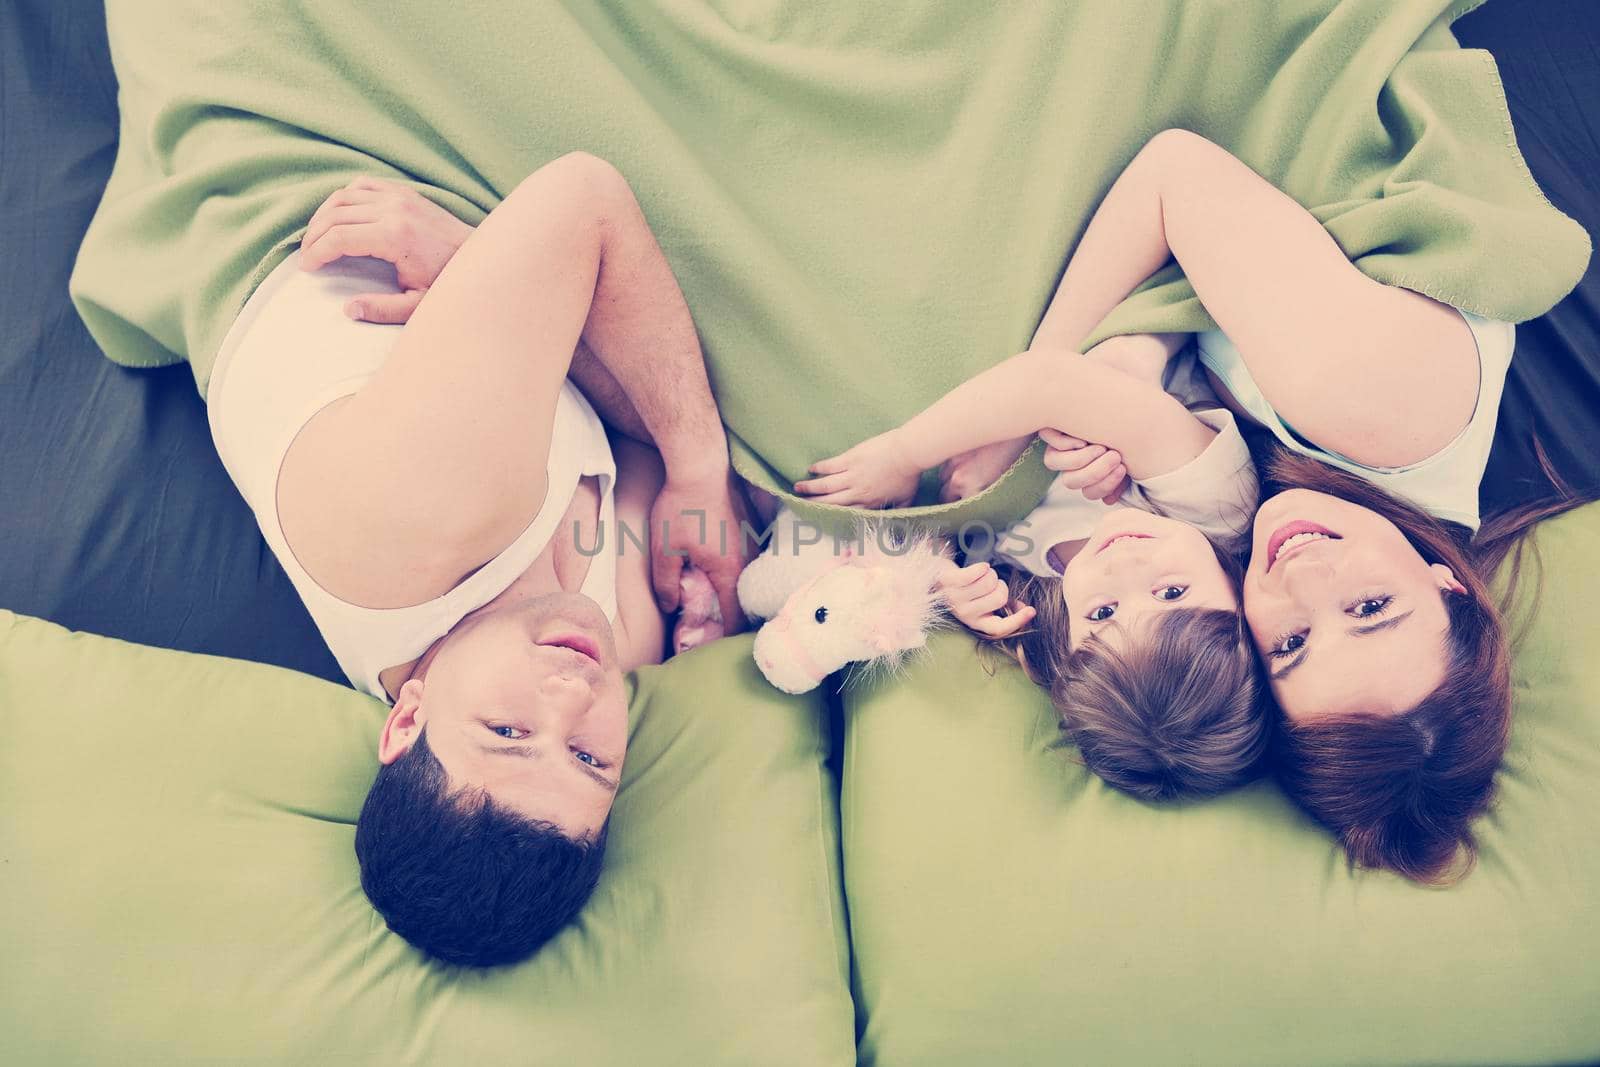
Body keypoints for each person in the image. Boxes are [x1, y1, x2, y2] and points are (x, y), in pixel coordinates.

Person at [898, 127, 1576, 881]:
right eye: (1371, 606)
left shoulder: (1278, 506)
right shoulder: (1376, 413)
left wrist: (1139, 358)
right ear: (1449, 587)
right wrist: (1019, 425)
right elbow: (1173, 173)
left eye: (1289, 646)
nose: (1301, 578)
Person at [205, 153, 751, 965]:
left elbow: (588, 198)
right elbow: (643, 429)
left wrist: (701, 463)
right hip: (492, 235)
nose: (572, 698)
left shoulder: (410, 522)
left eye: (508, 729)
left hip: (304, 187)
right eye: (590, 757)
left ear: (407, 717)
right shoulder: (612, 641)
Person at [796, 313, 1269, 799]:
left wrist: (938, 581)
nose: (1125, 568)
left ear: (1066, 645)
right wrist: (903, 455)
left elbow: (887, 544)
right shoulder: (1218, 508)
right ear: (1239, 599)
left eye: (1104, 613)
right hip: (1095, 314)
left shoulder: (1035, 594)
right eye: (1172, 592)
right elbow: (1051, 383)